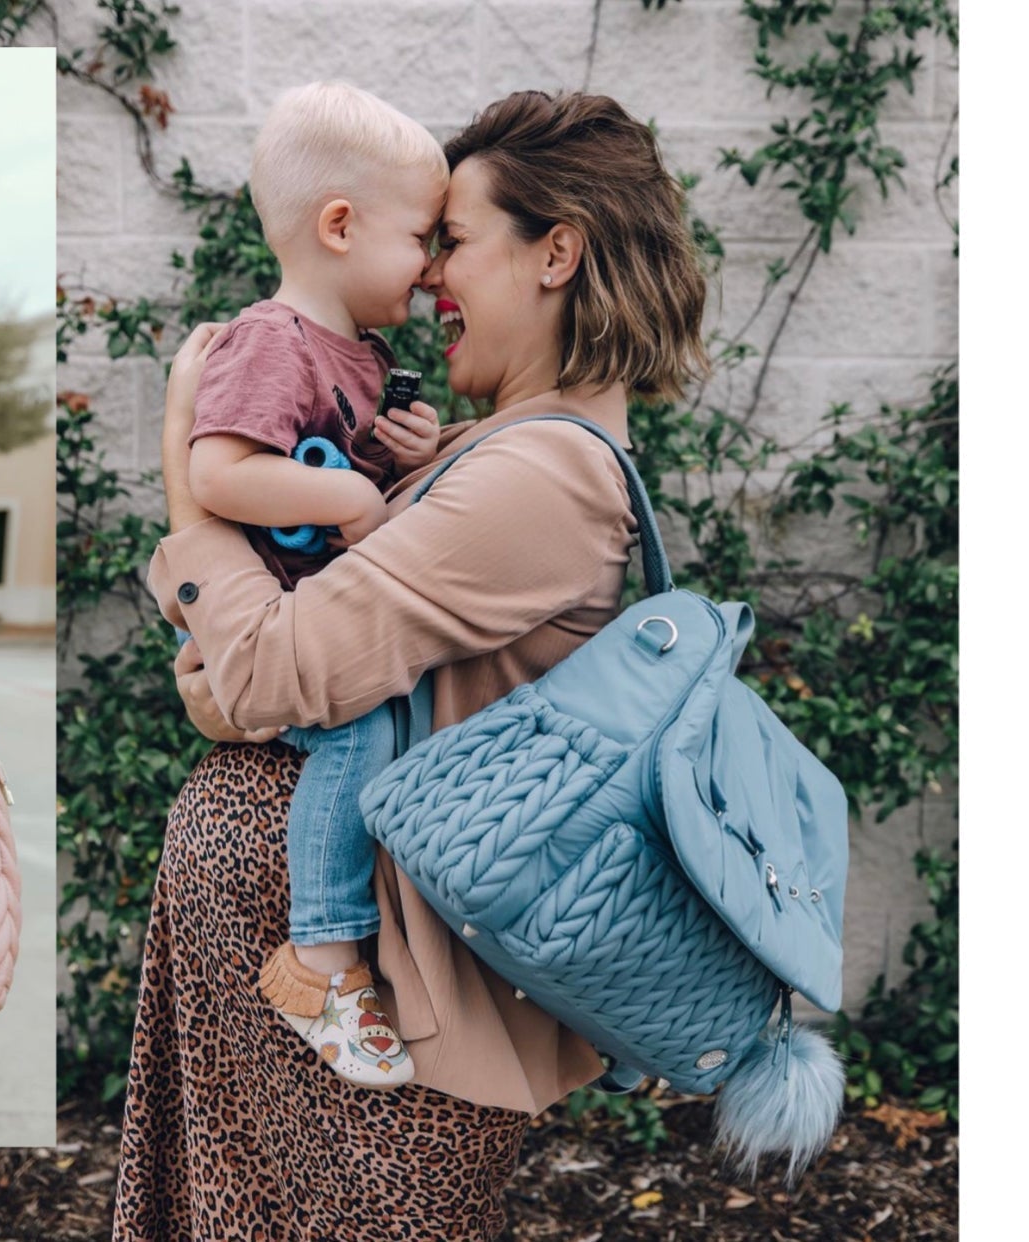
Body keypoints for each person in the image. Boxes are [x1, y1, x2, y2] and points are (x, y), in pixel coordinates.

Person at [112, 89, 710, 1239]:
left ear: (557, 255)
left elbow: (263, 676)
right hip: (326, 992)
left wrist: (192, 473)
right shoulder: (483, 449)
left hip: (384, 1011)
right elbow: (225, 685)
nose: (432, 274)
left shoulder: (540, 478)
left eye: (457, 240)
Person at [180, 81, 449, 1090]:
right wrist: (343, 503)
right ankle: (323, 959)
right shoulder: (269, 341)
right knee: (360, 731)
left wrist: (403, 453)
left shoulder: (366, 359)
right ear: (340, 225)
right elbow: (218, 472)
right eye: (423, 237)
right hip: (269, 635)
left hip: (320, 625)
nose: (432, 270)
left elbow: (355, 482)